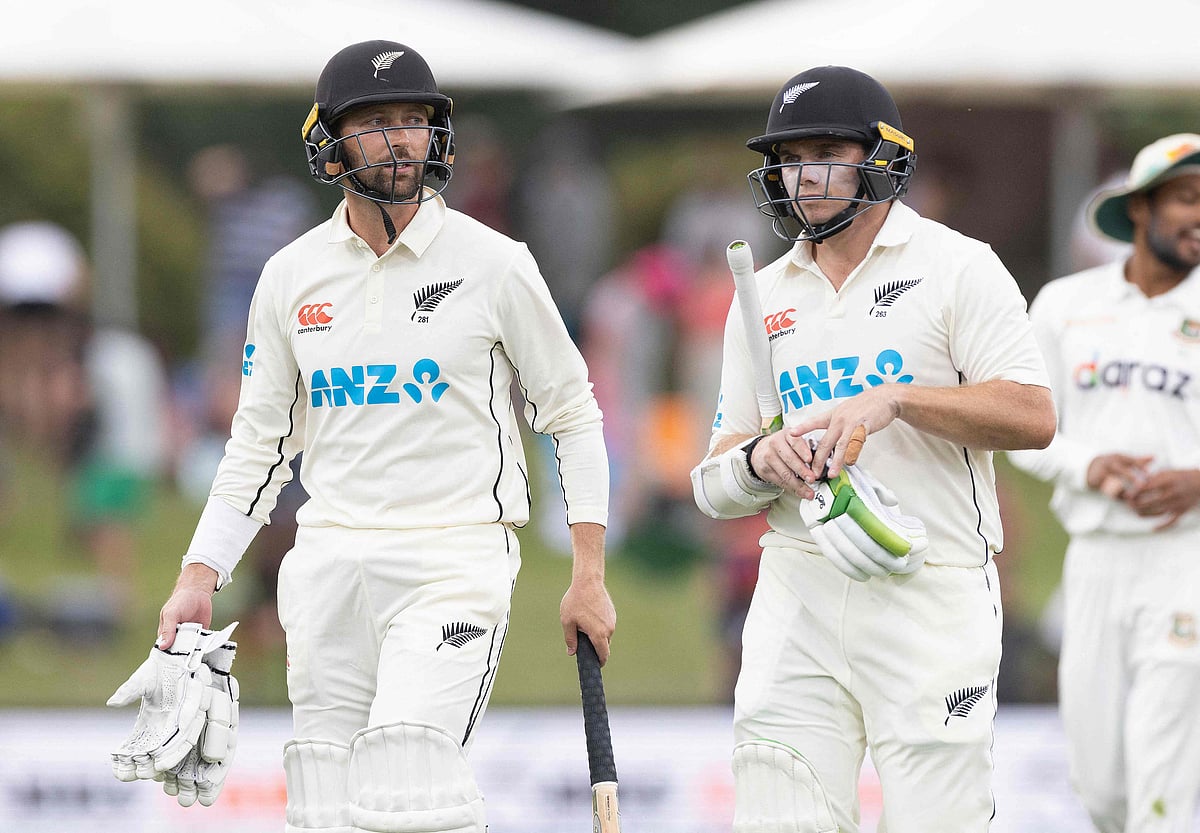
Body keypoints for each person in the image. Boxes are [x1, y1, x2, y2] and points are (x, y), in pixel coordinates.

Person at [122, 40, 616, 831]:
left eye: (415, 120)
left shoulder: (496, 263)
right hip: (328, 569)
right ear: (331, 140)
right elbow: (260, 445)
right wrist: (198, 575)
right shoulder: (290, 275)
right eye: (377, 121)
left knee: (410, 774)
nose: (400, 138)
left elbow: (572, 412)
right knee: (327, 802)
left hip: (454, 557)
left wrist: (587, 570)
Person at [690, 65, 1056, 832]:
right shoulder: (763, 295)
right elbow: (713, 480)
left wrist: (900, 400)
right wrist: (760, 462)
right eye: (789, 156)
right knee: (778, 812)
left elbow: (1032, 414)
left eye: (825, 149)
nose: (802, 173)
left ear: (882, 158)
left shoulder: (959, 266)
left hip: (930, 589)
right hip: (799, 590)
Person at [1008, 133, 1200, 833]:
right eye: (1186, 198)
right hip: (1093, 560)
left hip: (1187, 561)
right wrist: (1086, 465)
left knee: (1163, 777)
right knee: (1102, 787)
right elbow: (1024, 428)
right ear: (1141, 208)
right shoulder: (1065, 304)